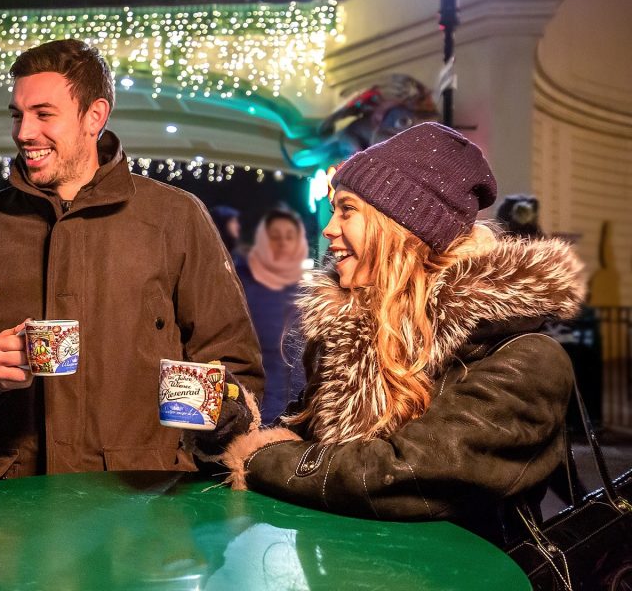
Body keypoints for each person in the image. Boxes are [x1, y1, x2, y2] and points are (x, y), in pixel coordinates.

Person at [207, 122, 584, 548]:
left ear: (402, 228)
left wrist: (261, 457)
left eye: (347, 210)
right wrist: (234, 424)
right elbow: (309, 443)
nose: (329, 229)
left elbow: (406, 475)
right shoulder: (358, 331)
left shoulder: (525, 357)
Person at [0, 38, 262, 483]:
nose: (24, 132)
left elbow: (235, 368)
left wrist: (213, 413)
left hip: (140, 505)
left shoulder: (175, 218)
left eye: (44, 114)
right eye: (18, 115)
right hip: (7, 507)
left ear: (94, 116)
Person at [237, 207, 310, 424]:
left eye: (289, 236)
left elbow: (303, 369)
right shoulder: (241, 287)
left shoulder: (311, 295)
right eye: (274, 236)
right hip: (244, 409)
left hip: (288, 418)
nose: (282, 243)